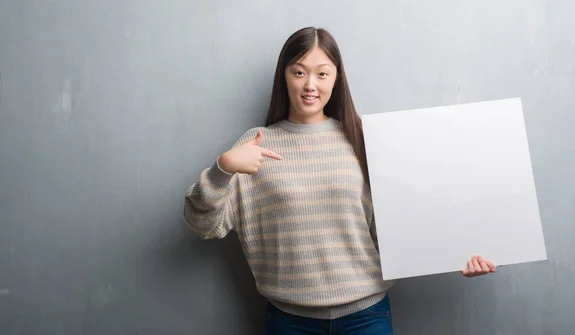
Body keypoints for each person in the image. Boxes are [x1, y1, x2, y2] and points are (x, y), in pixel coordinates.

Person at [184, 26, 496, 335]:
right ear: (284, 76)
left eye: (322, 73)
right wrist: (222, 168)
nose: (310, 85)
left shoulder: (362, 139)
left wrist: (457, 253)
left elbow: (403, 222)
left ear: (337, 78)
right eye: (299, 72)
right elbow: (204, 224)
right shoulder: (256, 144)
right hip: (290, 321)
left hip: (367, 317)